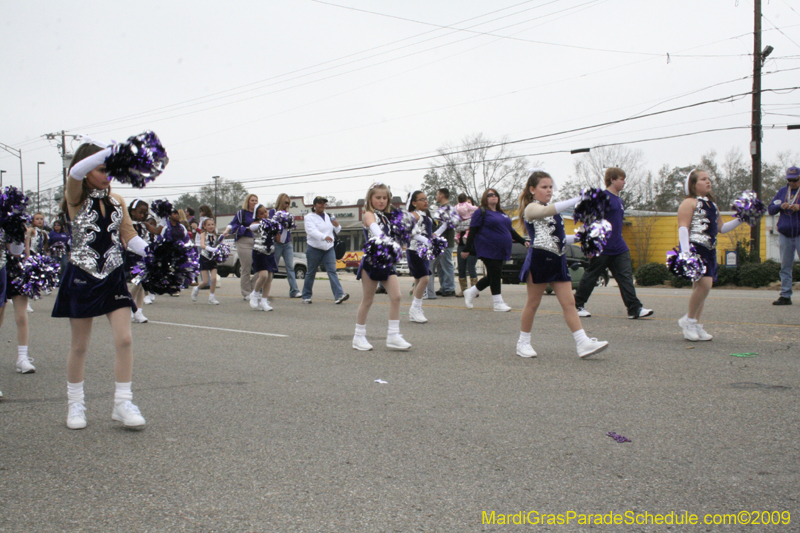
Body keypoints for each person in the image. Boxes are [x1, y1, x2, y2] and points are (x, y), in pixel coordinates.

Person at [51, 141, 150, 430]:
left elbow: (129, 236)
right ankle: (75, 404)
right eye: (103, 169)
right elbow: (76, 172)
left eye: (111, 170)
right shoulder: (75, 197)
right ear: (88, 169)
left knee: (125, 339)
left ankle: (122, 403)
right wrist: (109, 152)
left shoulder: (117, 200)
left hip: (113, 276)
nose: (108, 174)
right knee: (80, 345)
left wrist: (154, 253)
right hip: (82, 276)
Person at [517, 170, 609, 358]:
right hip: (540, 260)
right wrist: (579, 198)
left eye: (551, 187)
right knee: (533, 303)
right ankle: (523, 342)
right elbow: (546, 211)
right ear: (532, 189)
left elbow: (558, 238)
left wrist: (581, 237)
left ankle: (582, 342)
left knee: (569, 303)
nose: (549, 190)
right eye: (544, 187)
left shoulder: (554, 210)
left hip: (558, 259)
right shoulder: (531, 208)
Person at [573, 167, 653, 319]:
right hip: (602, 247)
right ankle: (576, 305)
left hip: (619, 247)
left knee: (626, 278)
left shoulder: (619, 199)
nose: (624, 182)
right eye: (621, 179)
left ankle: (634, 309)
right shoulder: (602, 197)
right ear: (612, 180)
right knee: (591, 276)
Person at [676, 169, 743, 341]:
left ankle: (696, 324)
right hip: (696, 248)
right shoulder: (689, 203)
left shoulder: (712, 205)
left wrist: (741, 219)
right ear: (693, 184)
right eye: (703, 179)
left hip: (710, 249)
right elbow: (683, 227)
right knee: (705, 285)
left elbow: (722, 228)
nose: (708, 182)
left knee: (700, 289)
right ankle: (688, 320)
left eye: (709, 179)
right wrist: (686, 253)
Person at [353, 183, 411, 350]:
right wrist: (386, 240)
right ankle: (358, 336)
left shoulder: (388, 217)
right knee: (368, 300)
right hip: (371, 262)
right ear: (370, 198)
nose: (381, 200)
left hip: (387, 262)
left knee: (397, 296)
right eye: (378, 197)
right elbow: (374, 227)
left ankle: (393, 335)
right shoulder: (369, 214)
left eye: (384, 198)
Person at [461, 188, 528, 311]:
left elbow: (511, 231)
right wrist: (467, 248)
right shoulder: (480, 212)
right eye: (490, 195)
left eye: (496, 195)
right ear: (485, 198)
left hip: (502, 249)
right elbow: (473, 231)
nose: (494, 197)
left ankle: (471, 292)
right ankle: (497, 303)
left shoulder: (501, 213)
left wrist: (523, 241)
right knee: (495, 273)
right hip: (488, 248)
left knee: (493, 274)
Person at [301, 196, 349, 304]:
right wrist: (323, 237)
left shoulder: (329, 216)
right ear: (314, 205)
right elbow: (311, 231)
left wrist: (337, 225)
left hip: (328, 248)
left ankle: (339, 295)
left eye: (324, 203)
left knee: (332, 271)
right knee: (311, 272)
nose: (322, 205)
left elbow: (336, 230)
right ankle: (306, 296)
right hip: (314, 248)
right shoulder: (309, 217)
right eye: (319, 203)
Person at [1, 234, 35, 374]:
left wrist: (21, 234)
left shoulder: (16, 220)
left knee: (21, 316)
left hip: (16, 269)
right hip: (1, 267)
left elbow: (18, 251)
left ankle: (22, 357)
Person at [768, 166, 800, 305]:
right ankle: (785, 295)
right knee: (785, 266)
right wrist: (781, 206)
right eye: (789, 180)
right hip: (785, 234)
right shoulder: (782, 191)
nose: (792, 183)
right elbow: (770, 209)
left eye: (795, 180)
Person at [406, 191, 434, 322]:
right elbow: (410, 234)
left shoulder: (426, 216)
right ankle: (415, 308)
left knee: (418, 280)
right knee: (425, 279)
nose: (426, 201)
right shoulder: (413, 215)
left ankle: (415, 310)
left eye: (426, 199)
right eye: (422, 199)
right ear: (414, 203)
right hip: (414, 250)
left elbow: (429, 234)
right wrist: (425, 240)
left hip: (424, 251)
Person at [225, 194, 259, 299]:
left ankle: (254, 289)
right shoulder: (242, 213)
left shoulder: (259, 214)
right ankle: (246, 292)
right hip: (243, 241)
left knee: (260, 268)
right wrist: (227, 231)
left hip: (257, 241)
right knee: (246, 268)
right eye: (252, 200)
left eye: (256, 200)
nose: (254, 202)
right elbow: (233, 224)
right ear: (248, 202)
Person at [246, 204, 277, 311]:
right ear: (257, 215)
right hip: (259, 253)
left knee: (269, 278)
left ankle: (264, 301)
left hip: (270, 253)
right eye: (261, 213)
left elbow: (279, 237)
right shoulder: (256, 224)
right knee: (263, 276)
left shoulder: (271, 224)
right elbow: (251, 227)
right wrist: (265, 223)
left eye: (266, 212)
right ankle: (254, 293)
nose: (265, 214)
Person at [127, 199, 153, 323]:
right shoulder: (127, 225)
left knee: (141, 285)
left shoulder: (143, 226)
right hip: (130, 257)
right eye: (140, 212)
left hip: (142, 257)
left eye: (144, 213)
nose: (142, 215)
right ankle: (130, 309)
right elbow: (127, 241)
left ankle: (139, 311)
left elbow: (147, 240)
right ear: (132, 212)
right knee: (135, 283)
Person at [426, 188, 456, 298]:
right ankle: (444, 287)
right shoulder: (442, 208)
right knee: (440, 266)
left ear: (442, 195)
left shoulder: (448, 208)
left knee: (446, 264)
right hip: (440, 242)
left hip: (446, 240)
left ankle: (449, 288)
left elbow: (447, 224)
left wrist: (436, 234)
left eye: (438, 194)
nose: (436, 196)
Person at [270, 193, 301, 298]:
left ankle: (294, 290)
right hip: (276, 243)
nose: (287, 205)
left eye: (288, 203)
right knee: (272, 267)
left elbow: (290, 228)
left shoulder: (288, 214)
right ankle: (261, 290)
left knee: (290, 267)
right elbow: (270, 225)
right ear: (281, 201)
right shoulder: (273, 212)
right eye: (285, 202)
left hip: (287, 243)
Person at [192, 217, 222, 305]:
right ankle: (196, 289)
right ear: (204, 226)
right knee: (205, 281)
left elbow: (218, 244)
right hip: (204, 258)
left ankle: (211, 297)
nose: (211, 226)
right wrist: (212, 249)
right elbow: (202, 245)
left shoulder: (215, 235)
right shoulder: (203, 234)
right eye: (208, 225)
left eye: (212, 224)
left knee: (213, 279)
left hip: (213, 259)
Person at [455, 194, 479, 296]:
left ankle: (474, 290)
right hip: (461, 245)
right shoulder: (459, 218)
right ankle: (464, 290)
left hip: (472, 246)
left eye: (469, 203)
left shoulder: (476, 218)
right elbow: (455, 227)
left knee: (471, 267)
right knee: (461, 267)